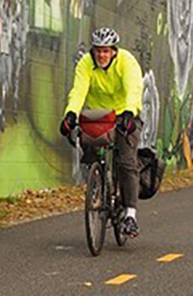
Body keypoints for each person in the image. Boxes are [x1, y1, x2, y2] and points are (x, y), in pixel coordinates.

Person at [60, 28, 144, 237]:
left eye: (106, 51)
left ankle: (130, 215)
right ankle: (98, 182)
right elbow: (78, 90)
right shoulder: (86, 64)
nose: (102, 55)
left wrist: (130, 113)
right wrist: (71, 114)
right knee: (90, 152)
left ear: (114, 51)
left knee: (127, 162)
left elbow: (134, 88)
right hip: (98, 116)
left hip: (125, 113)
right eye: (98, 51)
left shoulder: (127, 61)